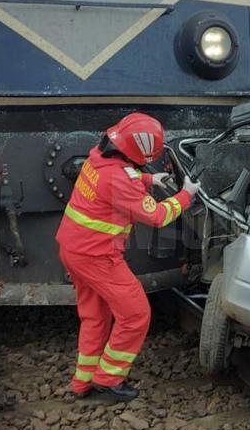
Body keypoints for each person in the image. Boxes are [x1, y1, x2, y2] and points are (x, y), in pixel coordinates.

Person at [56, 112, 199, 401]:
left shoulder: (97, 157)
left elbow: (118, 177)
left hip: (73, 249)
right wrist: (186, 195)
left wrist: (148, 179)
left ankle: (81, 383)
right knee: (136, 315)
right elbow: (157, 216)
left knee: (95, 316)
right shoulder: (121, 181)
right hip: (98, 257)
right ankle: (108, 379)